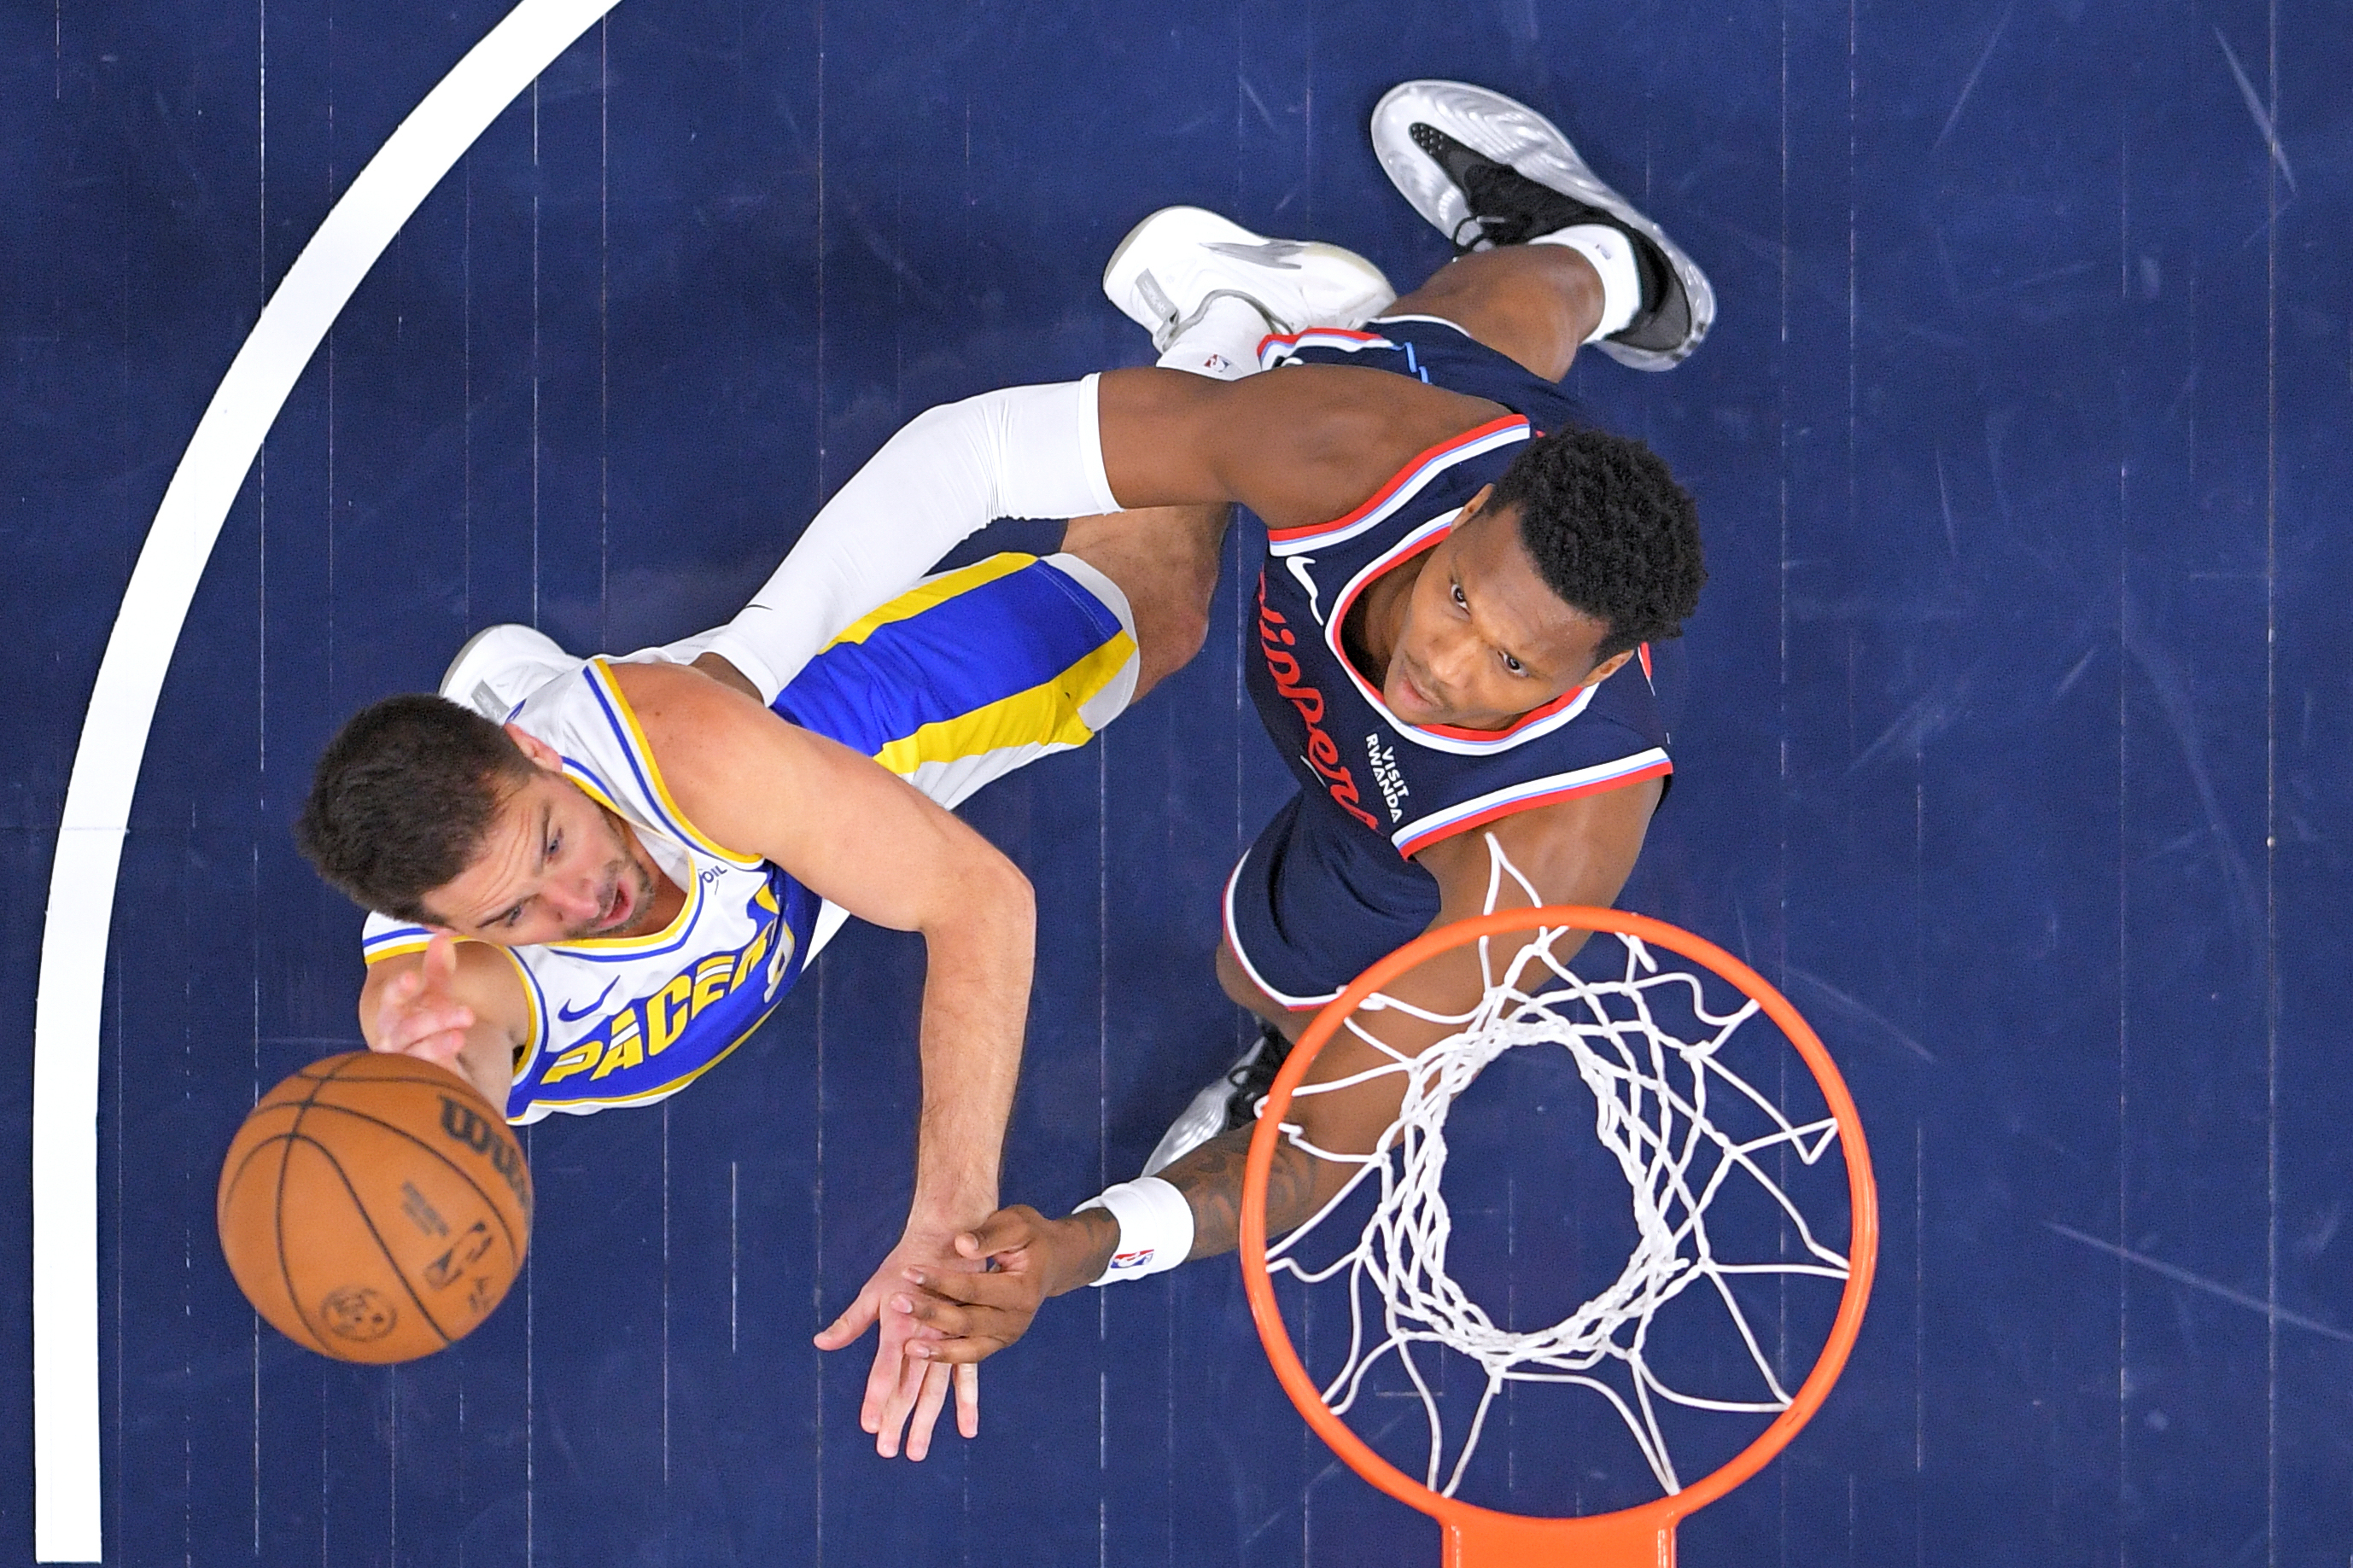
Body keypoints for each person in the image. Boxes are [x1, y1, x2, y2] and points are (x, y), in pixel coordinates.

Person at [727, 80, 1712, 1444]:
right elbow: (983, 452)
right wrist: (753, 654)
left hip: (1396, 829)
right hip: (1402, 420)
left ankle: (1370, 302)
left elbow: (1313, 1160)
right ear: (1471, 503)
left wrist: (1074, 1248)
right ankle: (1605, 257)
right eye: (1462, 602)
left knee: (1265, 979)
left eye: (1515, 667)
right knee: (1473, 318)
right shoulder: (1360, 441)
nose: (1450, 660)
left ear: (1596, 679)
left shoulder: (1536, 854)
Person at [297, 509, 1235, 1460]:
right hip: (747, 889)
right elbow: (461, 1059)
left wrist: (948, 1212)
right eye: (510, 909)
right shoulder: (453, 994)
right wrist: (433, 1109)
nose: (584, 902)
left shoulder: (700, 751)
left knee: (1144, 622)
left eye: (548, 842)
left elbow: (979, 901)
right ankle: (530, 718)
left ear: (544, 766)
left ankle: (1213, 360)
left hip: (797, 756)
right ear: (448, 931)